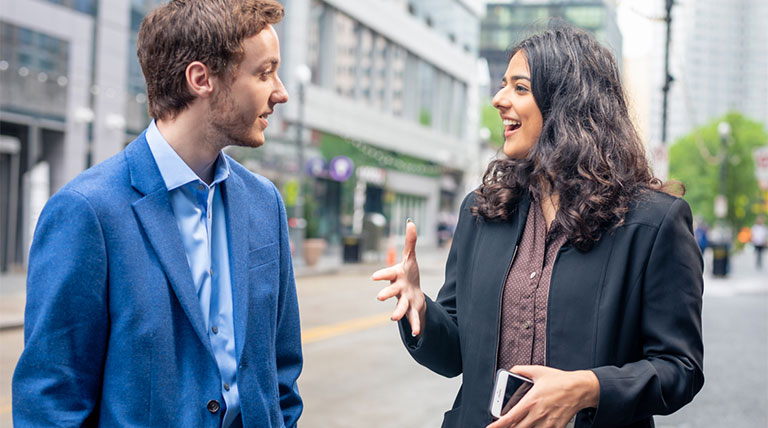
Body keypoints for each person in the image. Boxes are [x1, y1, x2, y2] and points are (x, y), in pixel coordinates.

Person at [373, 24, 704, 428]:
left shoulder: (654, 222)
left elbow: (679, 369)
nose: (498, 100)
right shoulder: (481, 212)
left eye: (519, 88)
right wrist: (419, 307)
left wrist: (589, 388)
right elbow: (455, 355)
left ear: (566, 103)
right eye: (501, 86)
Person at [13, 1, 302, 427]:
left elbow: (281, 374)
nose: (280, 92)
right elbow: (50, 403)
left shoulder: (264, 202)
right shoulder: (86, 211)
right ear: (201, 78)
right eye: (264, 72)